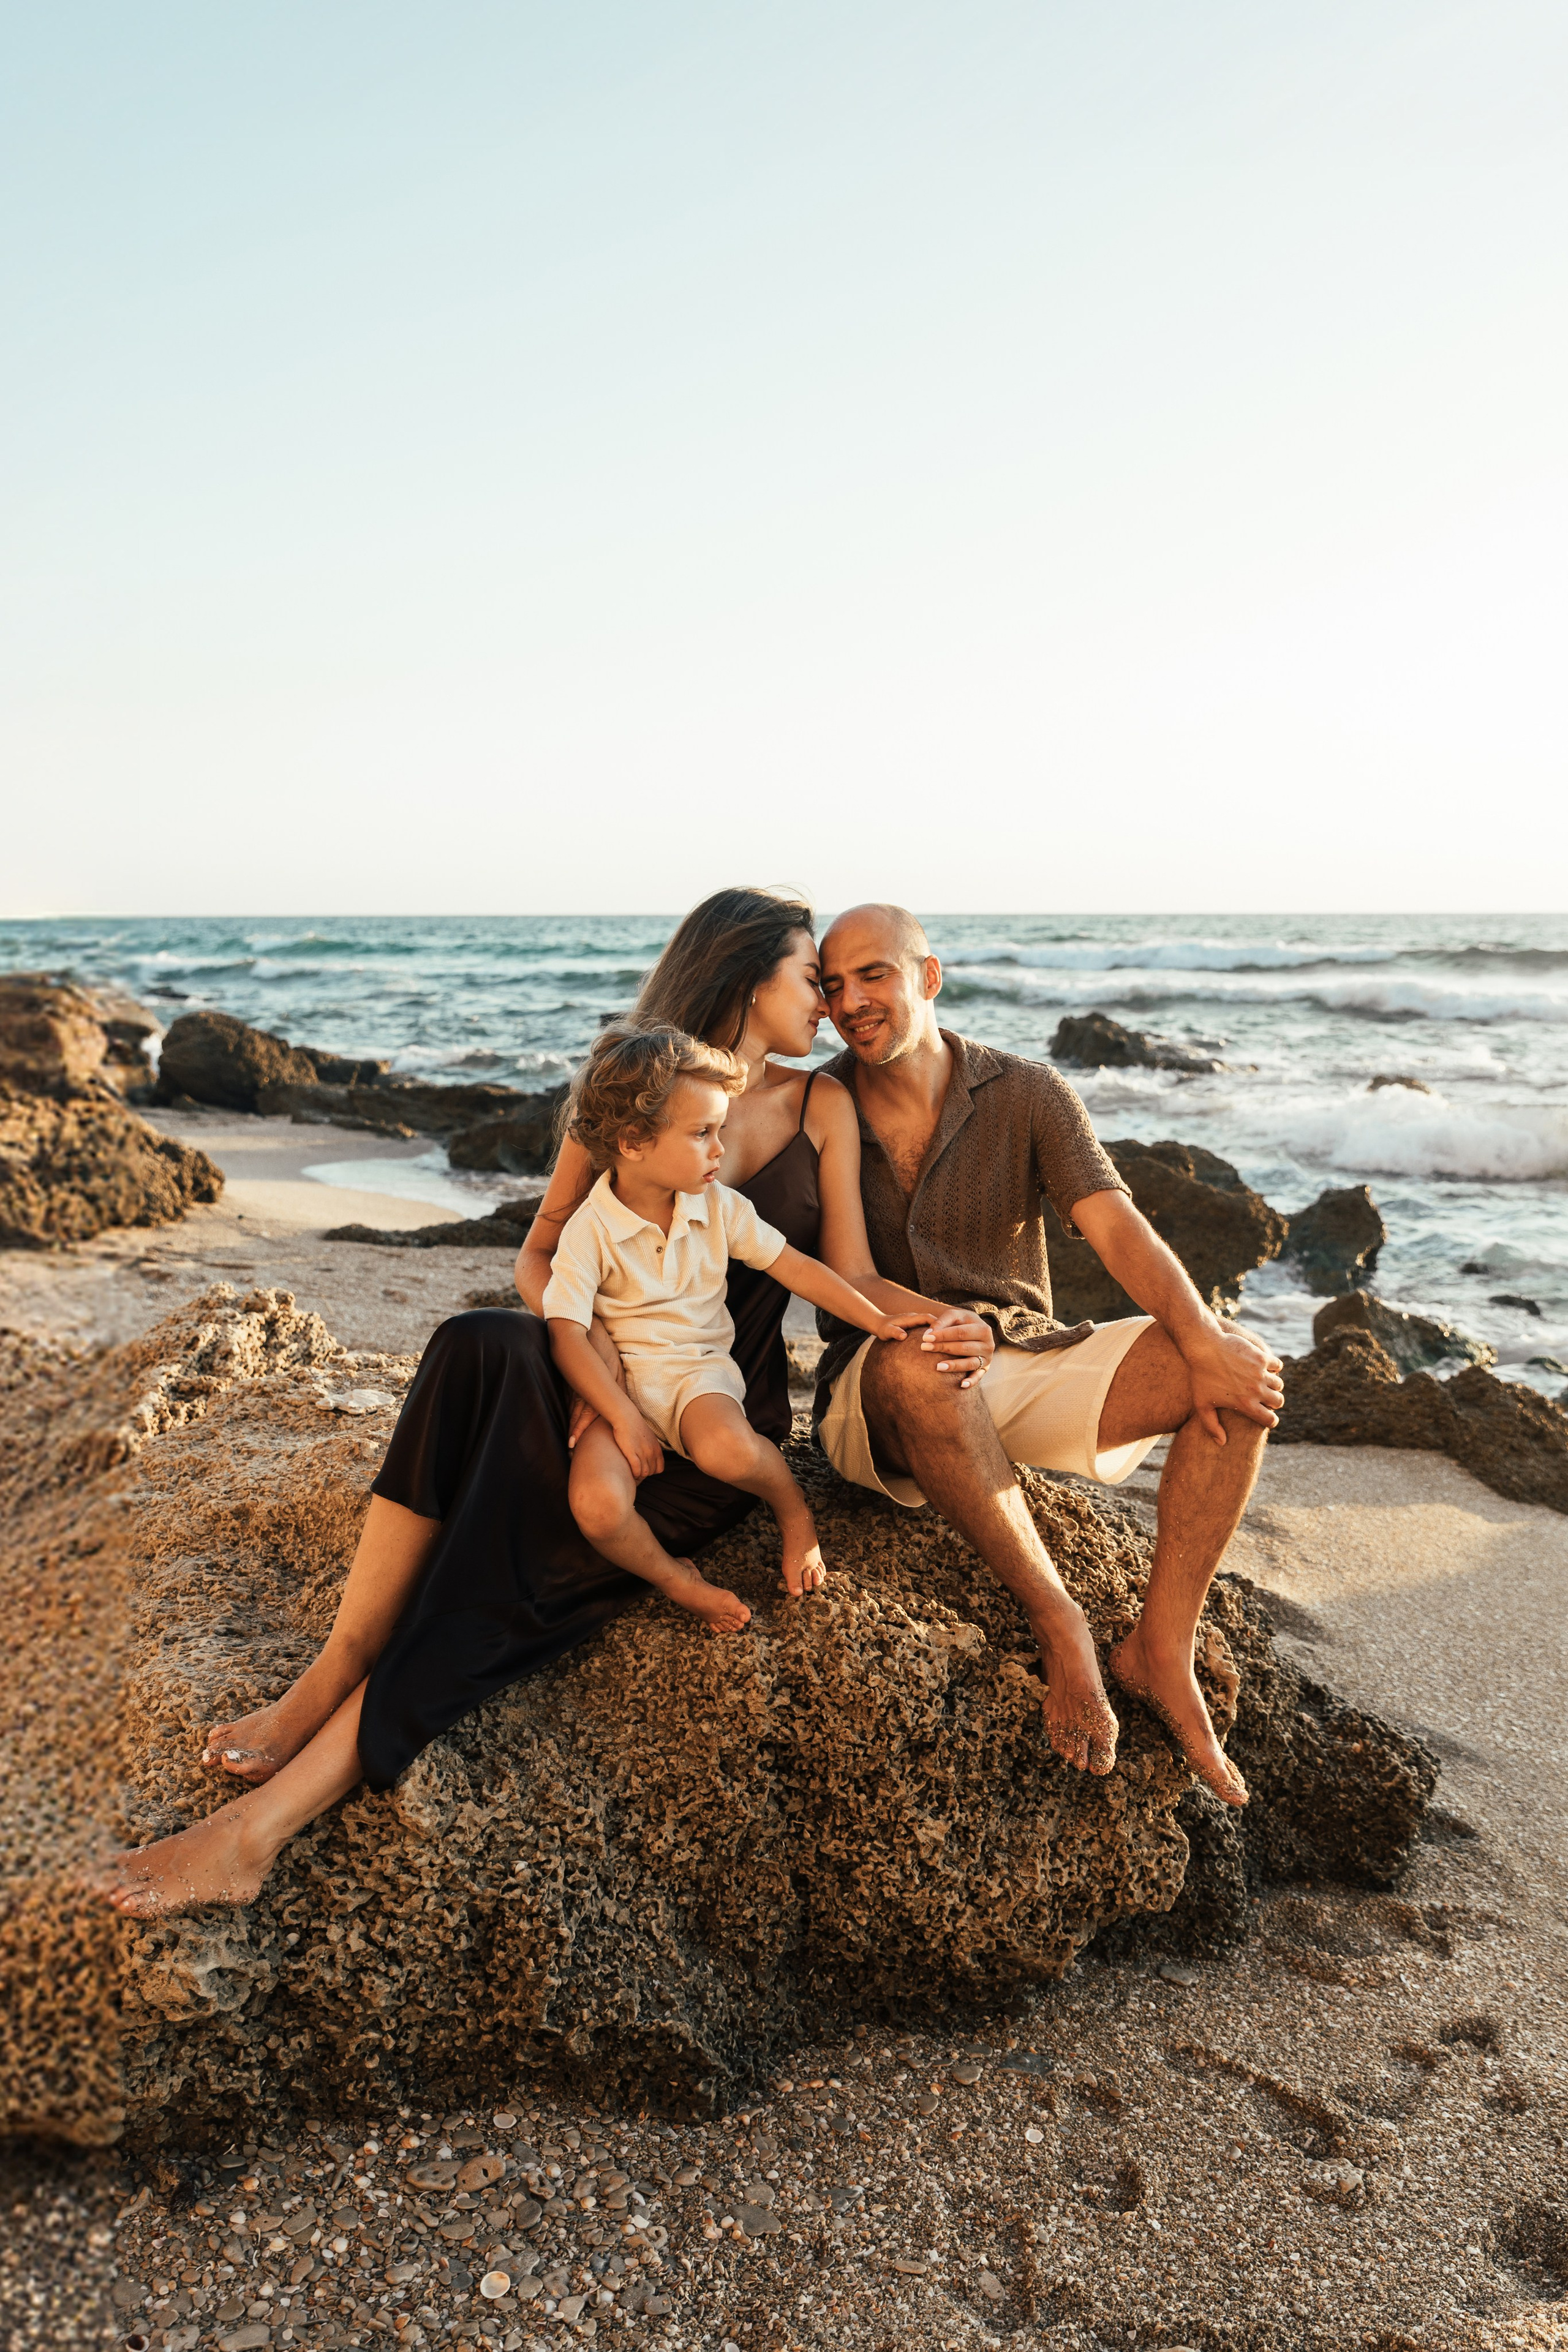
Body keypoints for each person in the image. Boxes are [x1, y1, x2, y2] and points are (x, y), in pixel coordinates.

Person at [96, 889, 979, 1918]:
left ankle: (256, 1831)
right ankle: (338, 1662)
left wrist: (956, 1326)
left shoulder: (820, 1107)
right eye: (810, 980)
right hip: (602, 1380)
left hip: (707, 1421)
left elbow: (849, 1272)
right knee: (476, 1342)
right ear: (745, 980)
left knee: (502, 1538)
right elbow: (543, 1251)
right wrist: (599, 1385)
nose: (829, 1003)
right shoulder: (633, 1092)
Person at [812, 902, 1286, 1807]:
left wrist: (1202, 1339)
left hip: (1018, 1357)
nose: (853, 1001)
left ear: (929, 976)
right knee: (923, 1364)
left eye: (874, 974)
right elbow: (844, 1274)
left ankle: (1160, 1648)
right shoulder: (822, 1103)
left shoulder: (1026, 1093)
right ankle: (1060, 1622)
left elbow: (1116, 1227)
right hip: (880, 1388)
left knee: (1234, 1364)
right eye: (834, 986)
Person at [546, 1025, 921, 1624]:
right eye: (702, 1134)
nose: (720, 1149)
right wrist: (620, 1416)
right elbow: (566, 1334)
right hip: (619, 1387)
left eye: (719, 1129)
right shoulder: (589, 1230)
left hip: (698, 1375)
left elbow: (797, 1267)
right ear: (634, 1140)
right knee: (595, 1506)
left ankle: (791, 1507)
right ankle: (676, 1579)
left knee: (724, 1448)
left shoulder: (718, 1205)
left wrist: (877, 1319)